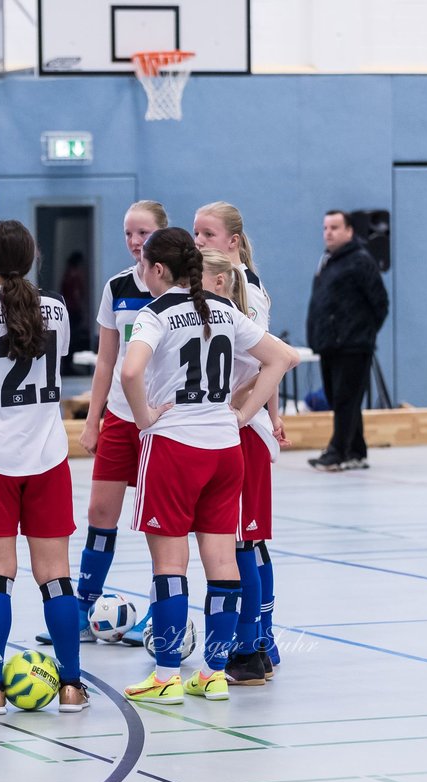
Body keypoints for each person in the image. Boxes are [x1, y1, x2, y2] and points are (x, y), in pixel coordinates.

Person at [119, 228, 297, 706]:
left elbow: (130, 371)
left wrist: (143, 418)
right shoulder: (226, 311)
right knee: (222, 564)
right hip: (224, 448)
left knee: (169, 566)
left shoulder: (153, 313)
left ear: (157, 270)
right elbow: (283, 357)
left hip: (175, 447)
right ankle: (215, 672)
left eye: (144, 266)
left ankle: (165, 675)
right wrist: (242, 413)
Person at [0, 219, 89, 716]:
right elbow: (57, 358)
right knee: (57, 577)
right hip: (47, 458)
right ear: (32, 260)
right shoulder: (57, 307)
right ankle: (71, 686)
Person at [39, 201, 167, 650]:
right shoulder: (117, 287)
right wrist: (92, 421)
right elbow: (107, 359)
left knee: (159, 522)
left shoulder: (182, 291)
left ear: (163, 235)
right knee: (99, 513)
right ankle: (82, 605)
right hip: (120, 415)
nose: (135, 242)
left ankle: (159, 610)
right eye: (129, 233)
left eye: (144, 233)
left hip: (164, 422)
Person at [193, 202, 287, 680]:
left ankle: (250, 648)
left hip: (237, 432)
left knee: (242, 542)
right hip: (235, 428)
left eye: (207, 234)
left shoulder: (242, 288)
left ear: (232, 241)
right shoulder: (216, 292)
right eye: (194, 234)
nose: (199, 242)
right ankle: (259, 642)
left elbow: (262, 364)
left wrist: (243, 412)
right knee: (247, 540)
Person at [306, 210, 389, 472]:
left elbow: (380, 303)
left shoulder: (361, 261)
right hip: (329, 345)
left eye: (334, 227)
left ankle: (338, 452)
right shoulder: (328, 261)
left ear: (349, 231)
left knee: (345, 399)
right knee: (340, 398)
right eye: (325, 228)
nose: (328, 232)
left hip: (353, 346)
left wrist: (362, 334)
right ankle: (356, 450)